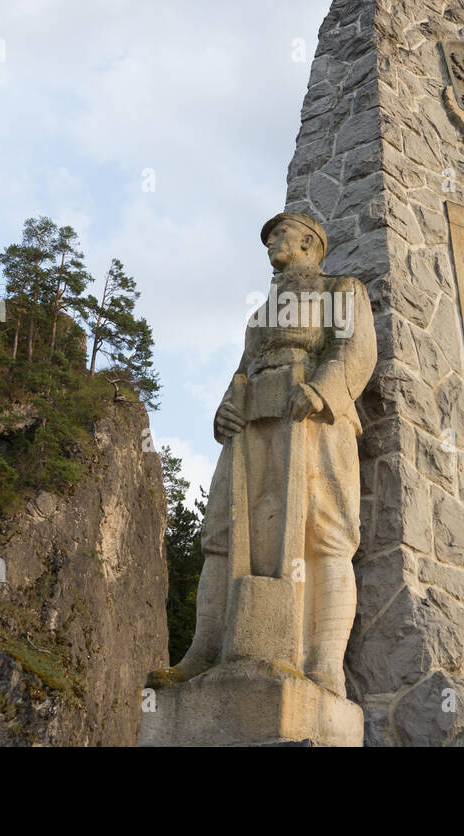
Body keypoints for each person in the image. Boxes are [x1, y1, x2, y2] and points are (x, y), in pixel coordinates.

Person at [147, 212, 375, 696]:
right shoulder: (262, 313)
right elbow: (243, 368)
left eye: (280, 233)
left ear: (310, 242)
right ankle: (204, 652)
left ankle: (323, 666)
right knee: (223, 536)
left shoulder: (341, 289)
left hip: (313, 418)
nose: (271, 241)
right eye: (269, 235)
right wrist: (226, 408)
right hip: (252, 422)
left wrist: (322, 390)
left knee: (327, 535)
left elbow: (356, 349)